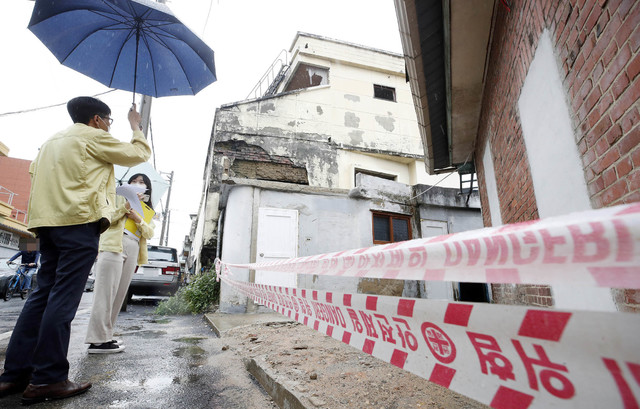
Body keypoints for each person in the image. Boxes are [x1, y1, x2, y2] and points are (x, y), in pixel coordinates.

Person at [0, 96, 151, 405]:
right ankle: (48, 379)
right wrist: (136, 127)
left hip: (46, 224)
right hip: (78, 223)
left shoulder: (50, 142)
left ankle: (14, 374)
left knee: (41, 297)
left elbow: (34, 177)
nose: (110, 127)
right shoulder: (92, 137)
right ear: (96, 119)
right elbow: (138, 153)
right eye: (109, 121)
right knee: (63, 300)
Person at [85, 173, 155, 353]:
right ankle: (97, 340)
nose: (137, 184)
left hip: (133, 247)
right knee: (105, 293)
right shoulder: (115, 199)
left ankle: (106, 336)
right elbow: (105, 219)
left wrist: (139, 220)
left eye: (142, 183)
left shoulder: (147, 210)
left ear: (147, 189)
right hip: (113, 245)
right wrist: (125, 207)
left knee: (119, 294)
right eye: (134, 181)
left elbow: (149, 233)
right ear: (128, 184)